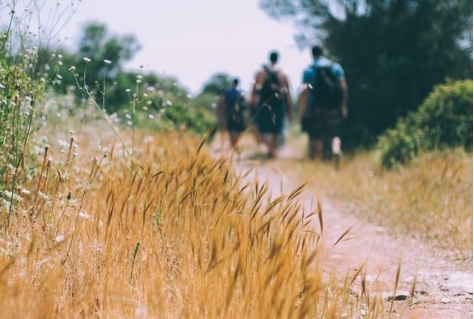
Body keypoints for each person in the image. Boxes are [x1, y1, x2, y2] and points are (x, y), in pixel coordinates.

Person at [299, 45, 348, 165]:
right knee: (333, 133)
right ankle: (336, 150)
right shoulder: (335, 67)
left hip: (315, 106)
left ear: (312, 54)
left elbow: (305, 92)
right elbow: (343, 87)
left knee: (316, 135)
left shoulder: (309, 70)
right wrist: (343, 105)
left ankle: (318, 163)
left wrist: (303, 111)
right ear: (324, 53)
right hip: (333, 105)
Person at [250, 50, 293, 158]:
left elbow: (253, 91)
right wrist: (289, 110)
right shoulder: (283, 74)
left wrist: (253, 106)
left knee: (264, 128)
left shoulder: (260, 72)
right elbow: (288, 94)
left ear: (269, 58)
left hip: (264, 103)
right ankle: (274, 149)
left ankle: (270, 149)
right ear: (278, 59)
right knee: (277, 128)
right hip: (279, 103)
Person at [217, 78, 247, 149]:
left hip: (229, 113)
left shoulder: (227, 91)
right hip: (240, 114)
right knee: (238, 129)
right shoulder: (241, 91)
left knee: (231, 129)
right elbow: (245, 104)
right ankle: (235, 143)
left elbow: (223, 102)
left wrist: (221, 113)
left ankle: (232, 144)